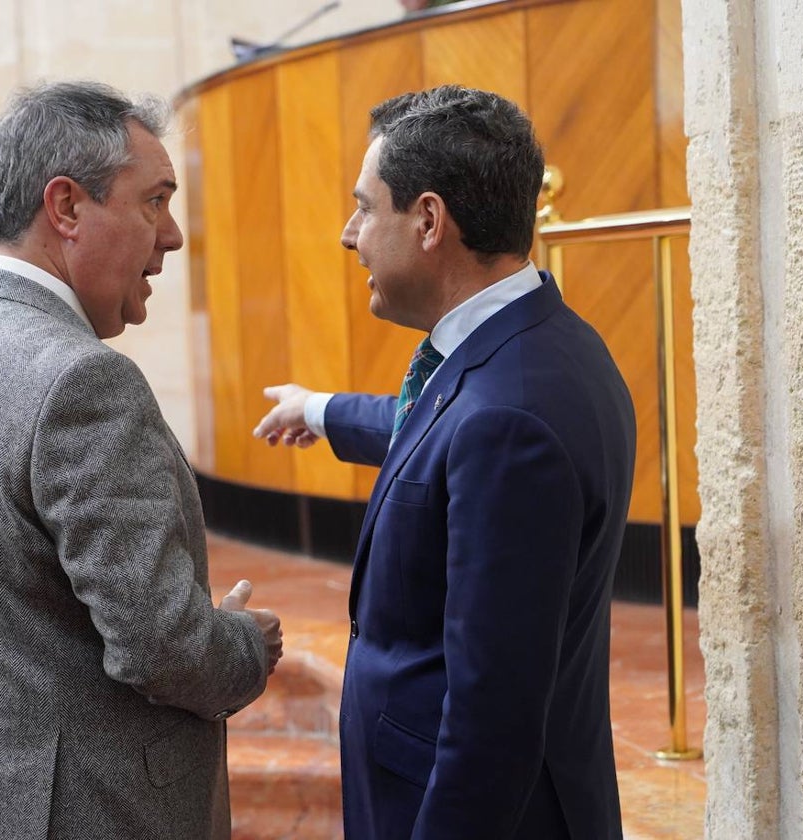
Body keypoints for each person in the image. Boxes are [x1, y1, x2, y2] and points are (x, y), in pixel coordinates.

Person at [0, 81, 283, 840]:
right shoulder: (80, 380)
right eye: (153, 201)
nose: (170, 237)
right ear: (66, 208)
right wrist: (242, 645)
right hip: (88, 814)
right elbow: (161, 646)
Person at [253, 86, 634, 839]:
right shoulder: (540, 344)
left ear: (428, 220)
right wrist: (322, 409)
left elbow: (492, 721)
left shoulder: (507, 421)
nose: (348, 233)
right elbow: (432, 431)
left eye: (365, 207)